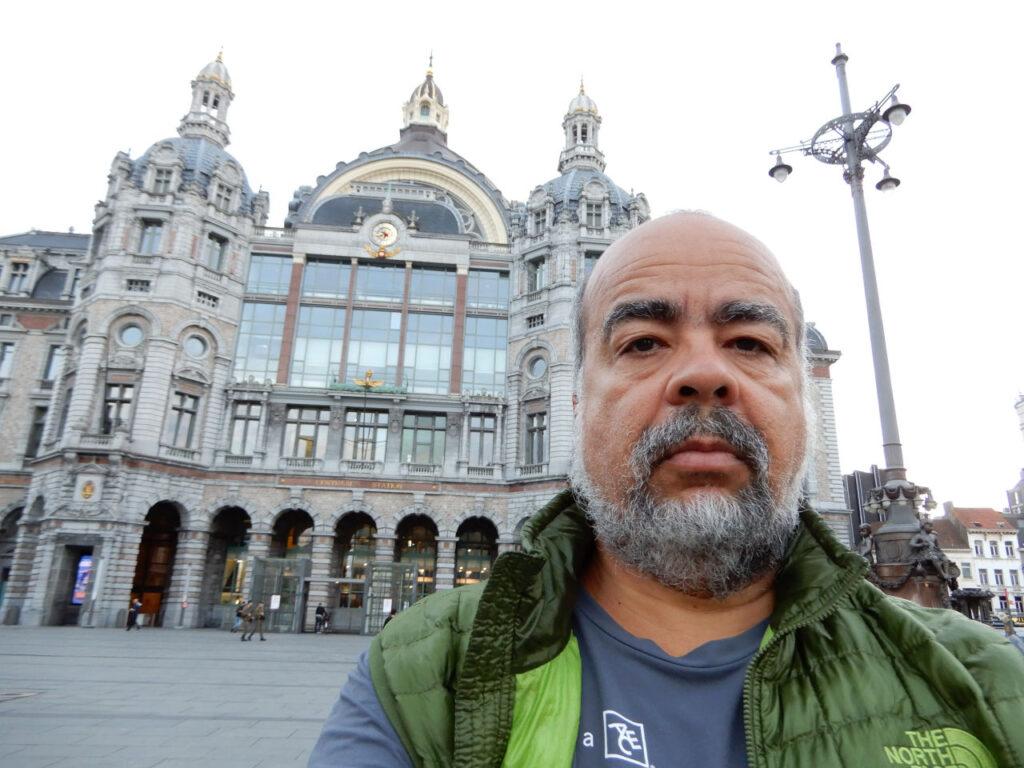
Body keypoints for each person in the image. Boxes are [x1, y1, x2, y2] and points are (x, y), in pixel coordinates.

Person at [309, 212, 1024, 767]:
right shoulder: (427, 674)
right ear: (575, 408)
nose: (704, 374)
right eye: (643, 342)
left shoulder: (988, 682)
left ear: (804, 406)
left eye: (750, 343)